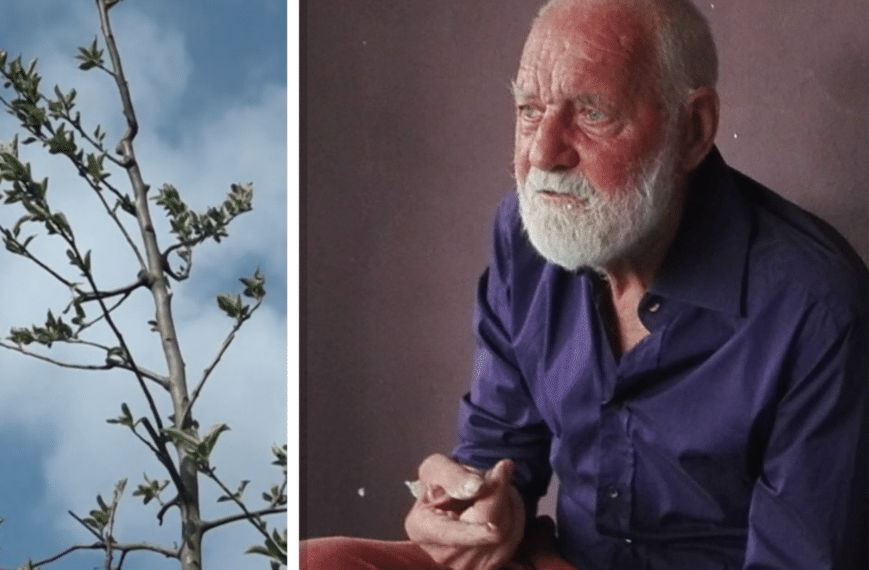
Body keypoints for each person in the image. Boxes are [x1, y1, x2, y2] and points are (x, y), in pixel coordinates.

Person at [300, 0, 868, 568]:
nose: (542, 154)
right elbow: (501, 456)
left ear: (693, 129)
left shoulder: (816, 307)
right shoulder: (525, 236)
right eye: (529, 109)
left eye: (592, 113)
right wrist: (474, 507)